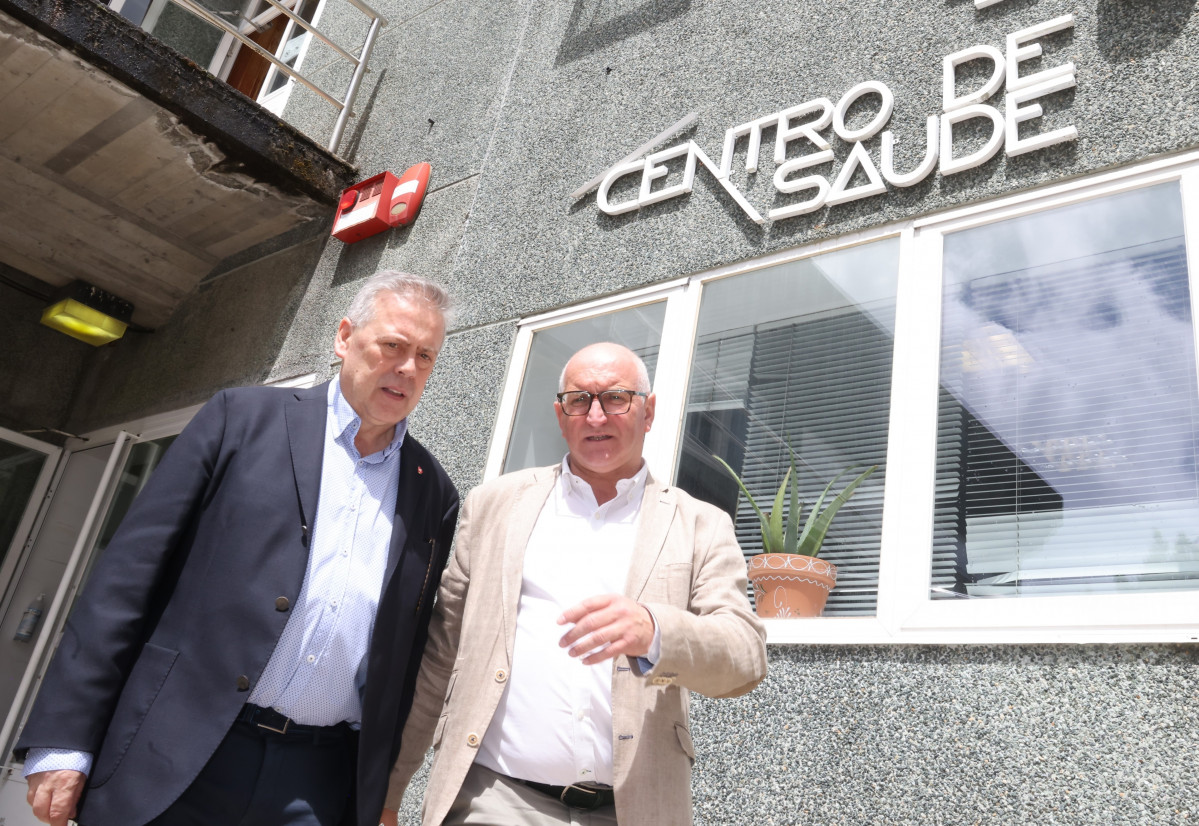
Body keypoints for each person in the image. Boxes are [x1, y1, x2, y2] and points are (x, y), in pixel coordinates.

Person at [15, 271, 460, 826]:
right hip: (177, 751)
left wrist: (382, 793)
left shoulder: (432, 490)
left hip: (318, 783)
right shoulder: (240, 420)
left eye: (425, 356)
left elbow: (406, 649)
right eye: (393, 345)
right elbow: (125, 581)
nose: (408, 369)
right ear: (345, 338)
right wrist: (65, 737)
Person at [382, 342, 767, 826]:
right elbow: (440, 656)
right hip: (496, 799)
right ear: (561, 416)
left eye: (617, 398)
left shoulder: (699, 524)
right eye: (579, 400)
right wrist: (390, 791)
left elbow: (745, 657)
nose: (597, 415)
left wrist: (655, 630)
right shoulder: (495, 506)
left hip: (634, 808)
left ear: (649, 413)